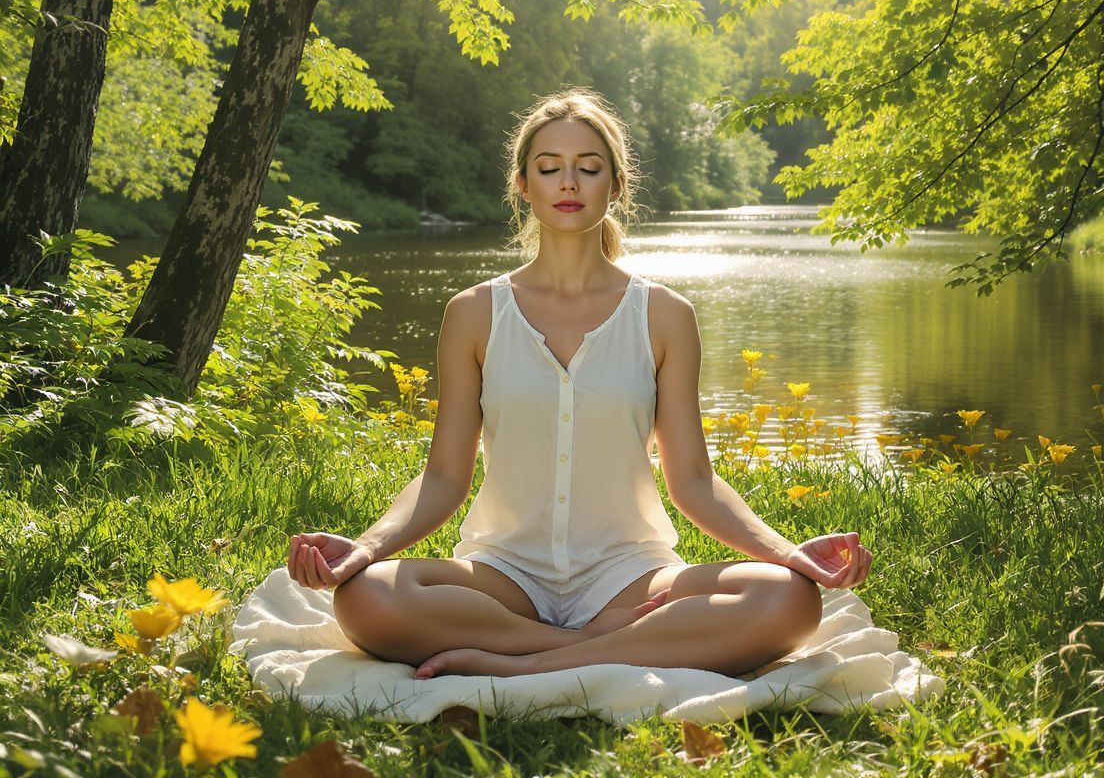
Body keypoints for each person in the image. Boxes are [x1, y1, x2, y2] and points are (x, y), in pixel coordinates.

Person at [286, 86, 872, 681]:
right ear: (523, 184)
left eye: (589, 168)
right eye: (549, 168)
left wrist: (787, 553)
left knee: (789, 599)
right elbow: (443, 477)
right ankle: (590, 646)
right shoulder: (474, 313)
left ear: (616, 185)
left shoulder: (664, 315)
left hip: (629, 577)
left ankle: (519, 663)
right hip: (503, 575)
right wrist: (366, 546)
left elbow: (694, 482)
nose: (569, 183)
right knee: (365, 597)